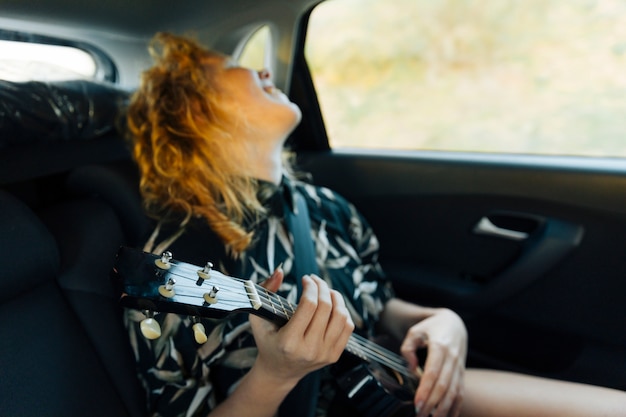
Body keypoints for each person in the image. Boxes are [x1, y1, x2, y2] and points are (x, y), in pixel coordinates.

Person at [123, 32, 626, 417]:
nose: (259, 69)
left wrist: (438, 320)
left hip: (398, 388)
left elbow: (379, 306)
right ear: (190, 109)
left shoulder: (324, 204)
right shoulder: (177, 258)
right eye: (230, 66)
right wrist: (274, 375)